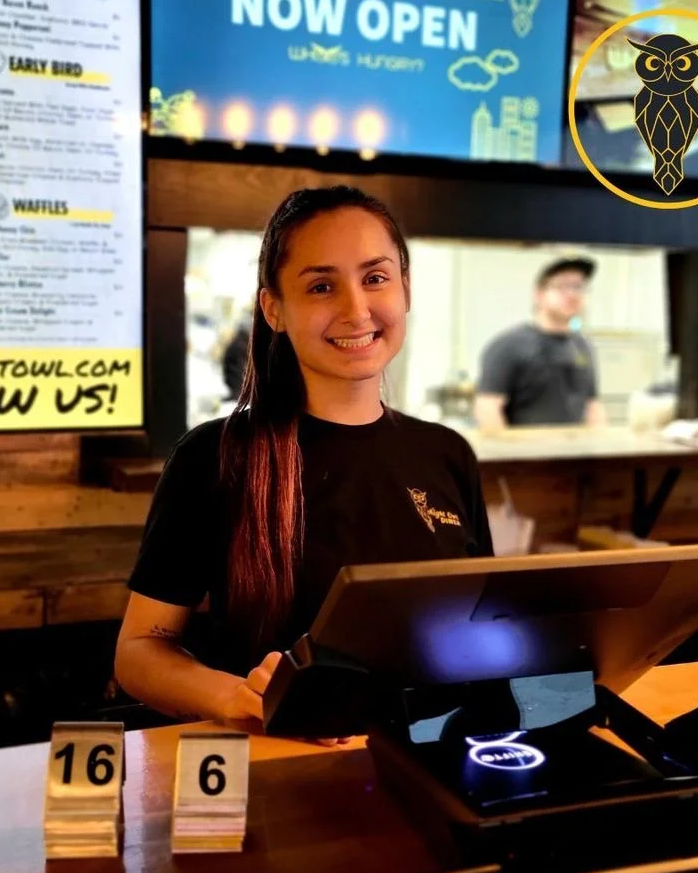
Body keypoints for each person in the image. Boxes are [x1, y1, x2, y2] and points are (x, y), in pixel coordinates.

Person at [115, 186, 493, 742]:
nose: (356, 309)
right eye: (321, 286)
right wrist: (237, 697)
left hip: (427, 764)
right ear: (275, 310)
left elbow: (478, 628)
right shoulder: (215, 457)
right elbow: (139, 652)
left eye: (376, 278)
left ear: (405, 288)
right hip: (277, 770)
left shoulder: (447, 453)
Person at [473, 257, 607, 431]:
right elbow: (487, 408)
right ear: (539, 294)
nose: (573, 294)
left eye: (579, 287)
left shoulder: (583, 346)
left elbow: (593, 406)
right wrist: (506, 454)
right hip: (525, 454)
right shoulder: (508, 345)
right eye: (563, 286)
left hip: (573, 452)